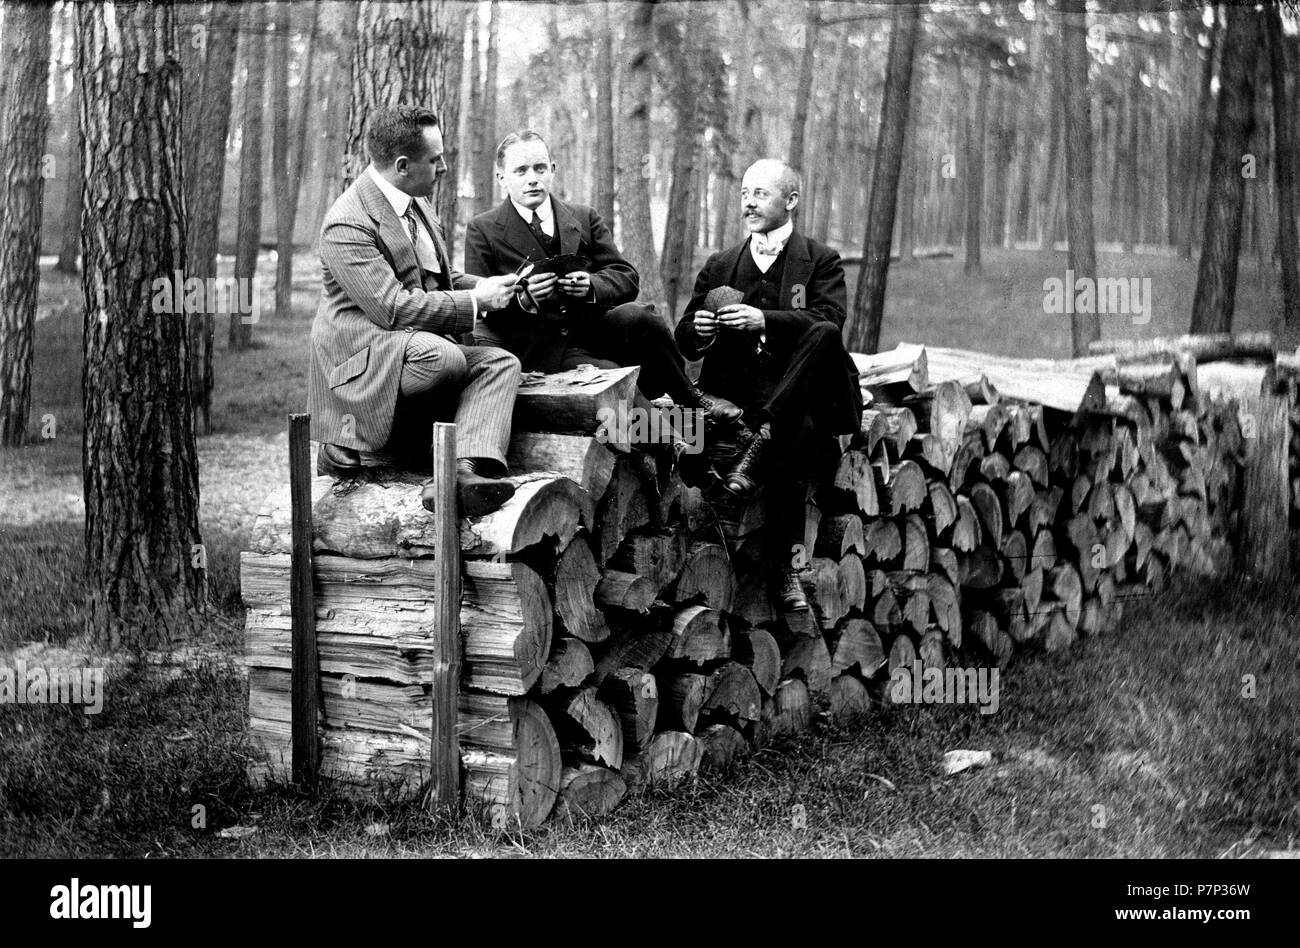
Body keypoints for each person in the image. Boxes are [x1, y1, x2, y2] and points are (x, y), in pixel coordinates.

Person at [306, 105, 523, 516]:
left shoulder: (415, 202)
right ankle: (343, 435)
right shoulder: (347, 223)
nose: (443, 167)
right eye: (435, 159)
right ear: (403, 165)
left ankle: (459, 471)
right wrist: (477, 304)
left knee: (500, 363)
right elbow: (391, 307)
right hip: (363, 354)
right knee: (444, 358)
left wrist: (487, 287)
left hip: (407, 342)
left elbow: (435, 278)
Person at [673, 158, 863, 611]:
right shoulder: (720, 265)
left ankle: (759, 447)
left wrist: (766, 320)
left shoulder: (820, 260)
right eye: (744, 193)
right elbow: (684, 339)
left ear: (791, 201)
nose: (749, 202)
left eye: (761, 193)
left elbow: (831, 321)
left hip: (808, 386)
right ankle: (786, 569)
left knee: (823, 338)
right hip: (743, 396)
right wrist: (696, 331)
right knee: (792, 432)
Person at [464, 130, 741, 426]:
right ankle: (669, 442)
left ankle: (691, 398)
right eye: (520, 171)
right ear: (501, 178)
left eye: (540, 168)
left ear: (553, 170)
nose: (532, 178)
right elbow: (483, 312)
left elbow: (626, 277)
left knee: (637, 317)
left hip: (592, 332)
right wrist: (523, 298)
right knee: (608, 374)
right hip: (541, 352)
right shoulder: (483, 230)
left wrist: (591, 286)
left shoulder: (582, 218)